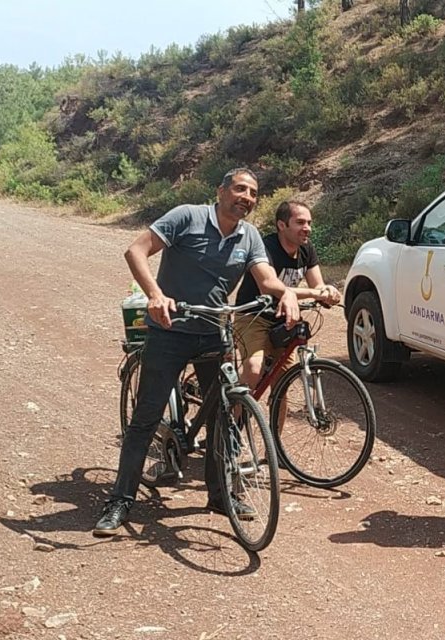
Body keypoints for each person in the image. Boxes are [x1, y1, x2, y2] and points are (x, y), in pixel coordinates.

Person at [93, 168, 300, 538]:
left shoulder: (249, 235)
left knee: (223, 414)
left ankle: (220, 496)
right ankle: (120, 500)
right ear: (220, 191)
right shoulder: (186, 216)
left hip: (214, 333)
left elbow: (266, 278)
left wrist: (285, 293)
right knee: (145, 418)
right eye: (239, 189)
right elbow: (135, 250)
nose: (247, 197)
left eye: (253, 193)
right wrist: (156, 295)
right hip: (170, 331)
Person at [232, 200, 341, 392]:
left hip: (283, 321)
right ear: (281, 225)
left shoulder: (306, 249)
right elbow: (271, 288)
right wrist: (315, 293)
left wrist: (328, 292)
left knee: (282, 382)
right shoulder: (266, 248)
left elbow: (318, 286)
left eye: (309, 223)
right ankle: (234, 419)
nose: (307, 228)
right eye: (300, 222)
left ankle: (274, 422)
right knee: (254, 369)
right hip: (253, 317)